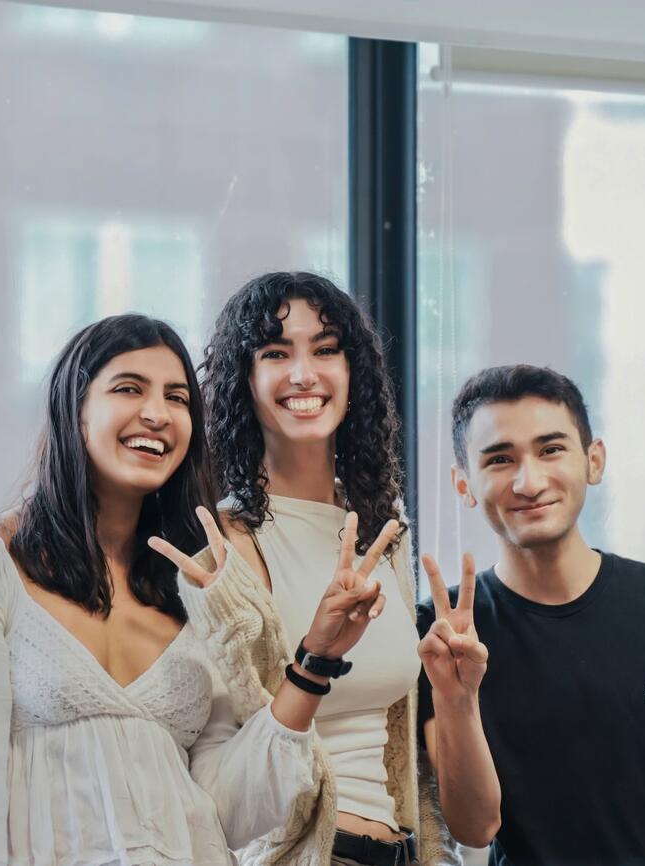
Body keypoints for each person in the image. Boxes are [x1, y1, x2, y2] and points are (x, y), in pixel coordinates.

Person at [0, 314, 394, 866]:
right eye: (129, 388)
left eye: (177, 398)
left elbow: (232, 812)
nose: (157, 414)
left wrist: (316, 660)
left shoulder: (188, 587)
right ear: (75, 409)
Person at [196, 271, 497, 865]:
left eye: (326, 349)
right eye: (275, 353)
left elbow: (476, 821)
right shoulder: (222, 544)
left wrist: (457, 696)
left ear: (353, 370)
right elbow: (221, 792)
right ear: (243, 381)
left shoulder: (385, 530)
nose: (304, 373)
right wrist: (316, 656)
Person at [418, 364, 645, 866]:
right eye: (500, 459)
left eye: (551, 450)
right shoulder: (444, 632)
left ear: (593, 461)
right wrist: (457, 697)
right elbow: (475, 828)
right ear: (464, 483)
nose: (529, 482)